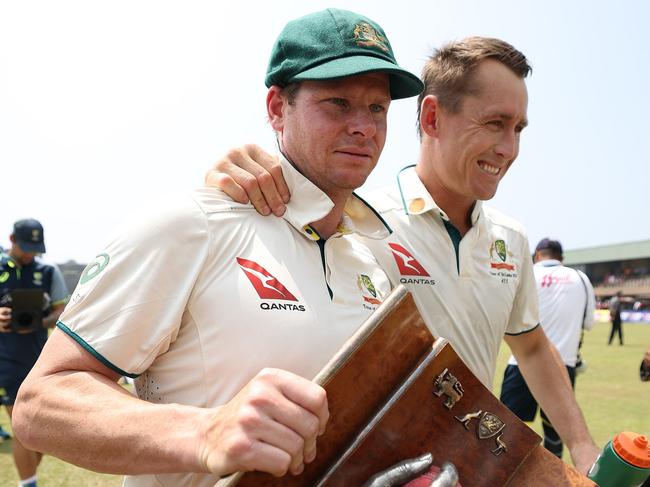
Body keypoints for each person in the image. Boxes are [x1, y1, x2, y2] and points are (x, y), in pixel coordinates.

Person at [12, 9, 424, 487]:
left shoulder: (372, 259)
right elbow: (41, 404)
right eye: (338, 102)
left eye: (377, 108)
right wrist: (204, 432)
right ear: (276, 108)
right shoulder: (191, 224)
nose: (364, 127)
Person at [203, 36, 601, 473]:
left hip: (466, 467)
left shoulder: (511, 237)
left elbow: (530, 348)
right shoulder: (358, 219)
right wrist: (239, 172)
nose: (509, 148)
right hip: (375, 471)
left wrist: (582, 444)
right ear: (432, 117)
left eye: (519, 128)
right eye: (494, 123)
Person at [500, 238, 595, 458]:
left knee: (504, 434)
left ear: (538, 255)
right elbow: (588, 323)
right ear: (561, 257)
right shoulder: (581, 278)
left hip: (520, 363)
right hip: (563, 365)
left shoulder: (527, 272)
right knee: (556, 437)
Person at [0, 218, 69, 487]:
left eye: (35, 248)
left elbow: (60, 310)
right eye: (26, 246)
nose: (30, 253)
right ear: (12, 240)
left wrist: (41, 321)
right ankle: (28, 484)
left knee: (35, 433)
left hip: (40, 359)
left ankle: (27, 478)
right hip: (5, 359)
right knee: (22, 427)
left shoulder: (49, 272)